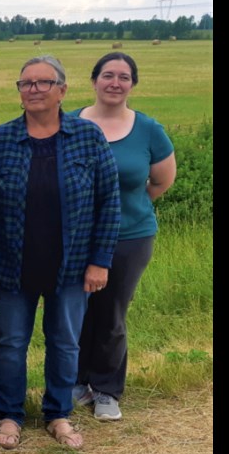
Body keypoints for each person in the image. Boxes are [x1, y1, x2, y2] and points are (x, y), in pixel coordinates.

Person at [0, 55, 121, 450]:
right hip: (11, 268)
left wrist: (99, 261)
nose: (33, 90)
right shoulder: (0, 140)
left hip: (72, 268)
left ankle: (58, 414)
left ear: (62, 90)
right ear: (19, 92)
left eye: (42, 82)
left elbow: (109, 203)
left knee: (65, 343)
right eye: (26, 84)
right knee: (10, 343)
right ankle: (9, 413)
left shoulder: (88, 138)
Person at [69, 53, 177, 421]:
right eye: (108, 75)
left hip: (130, 237)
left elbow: (161, 181)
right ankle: (76, 383)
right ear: (94, 80)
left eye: (124, 77)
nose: (115, 82)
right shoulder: (69, 123)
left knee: (111, 314)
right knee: (75, 311)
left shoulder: (148, 130)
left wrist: (125, 209)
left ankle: (107, 390)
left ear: (133, 84)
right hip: (76, 238)